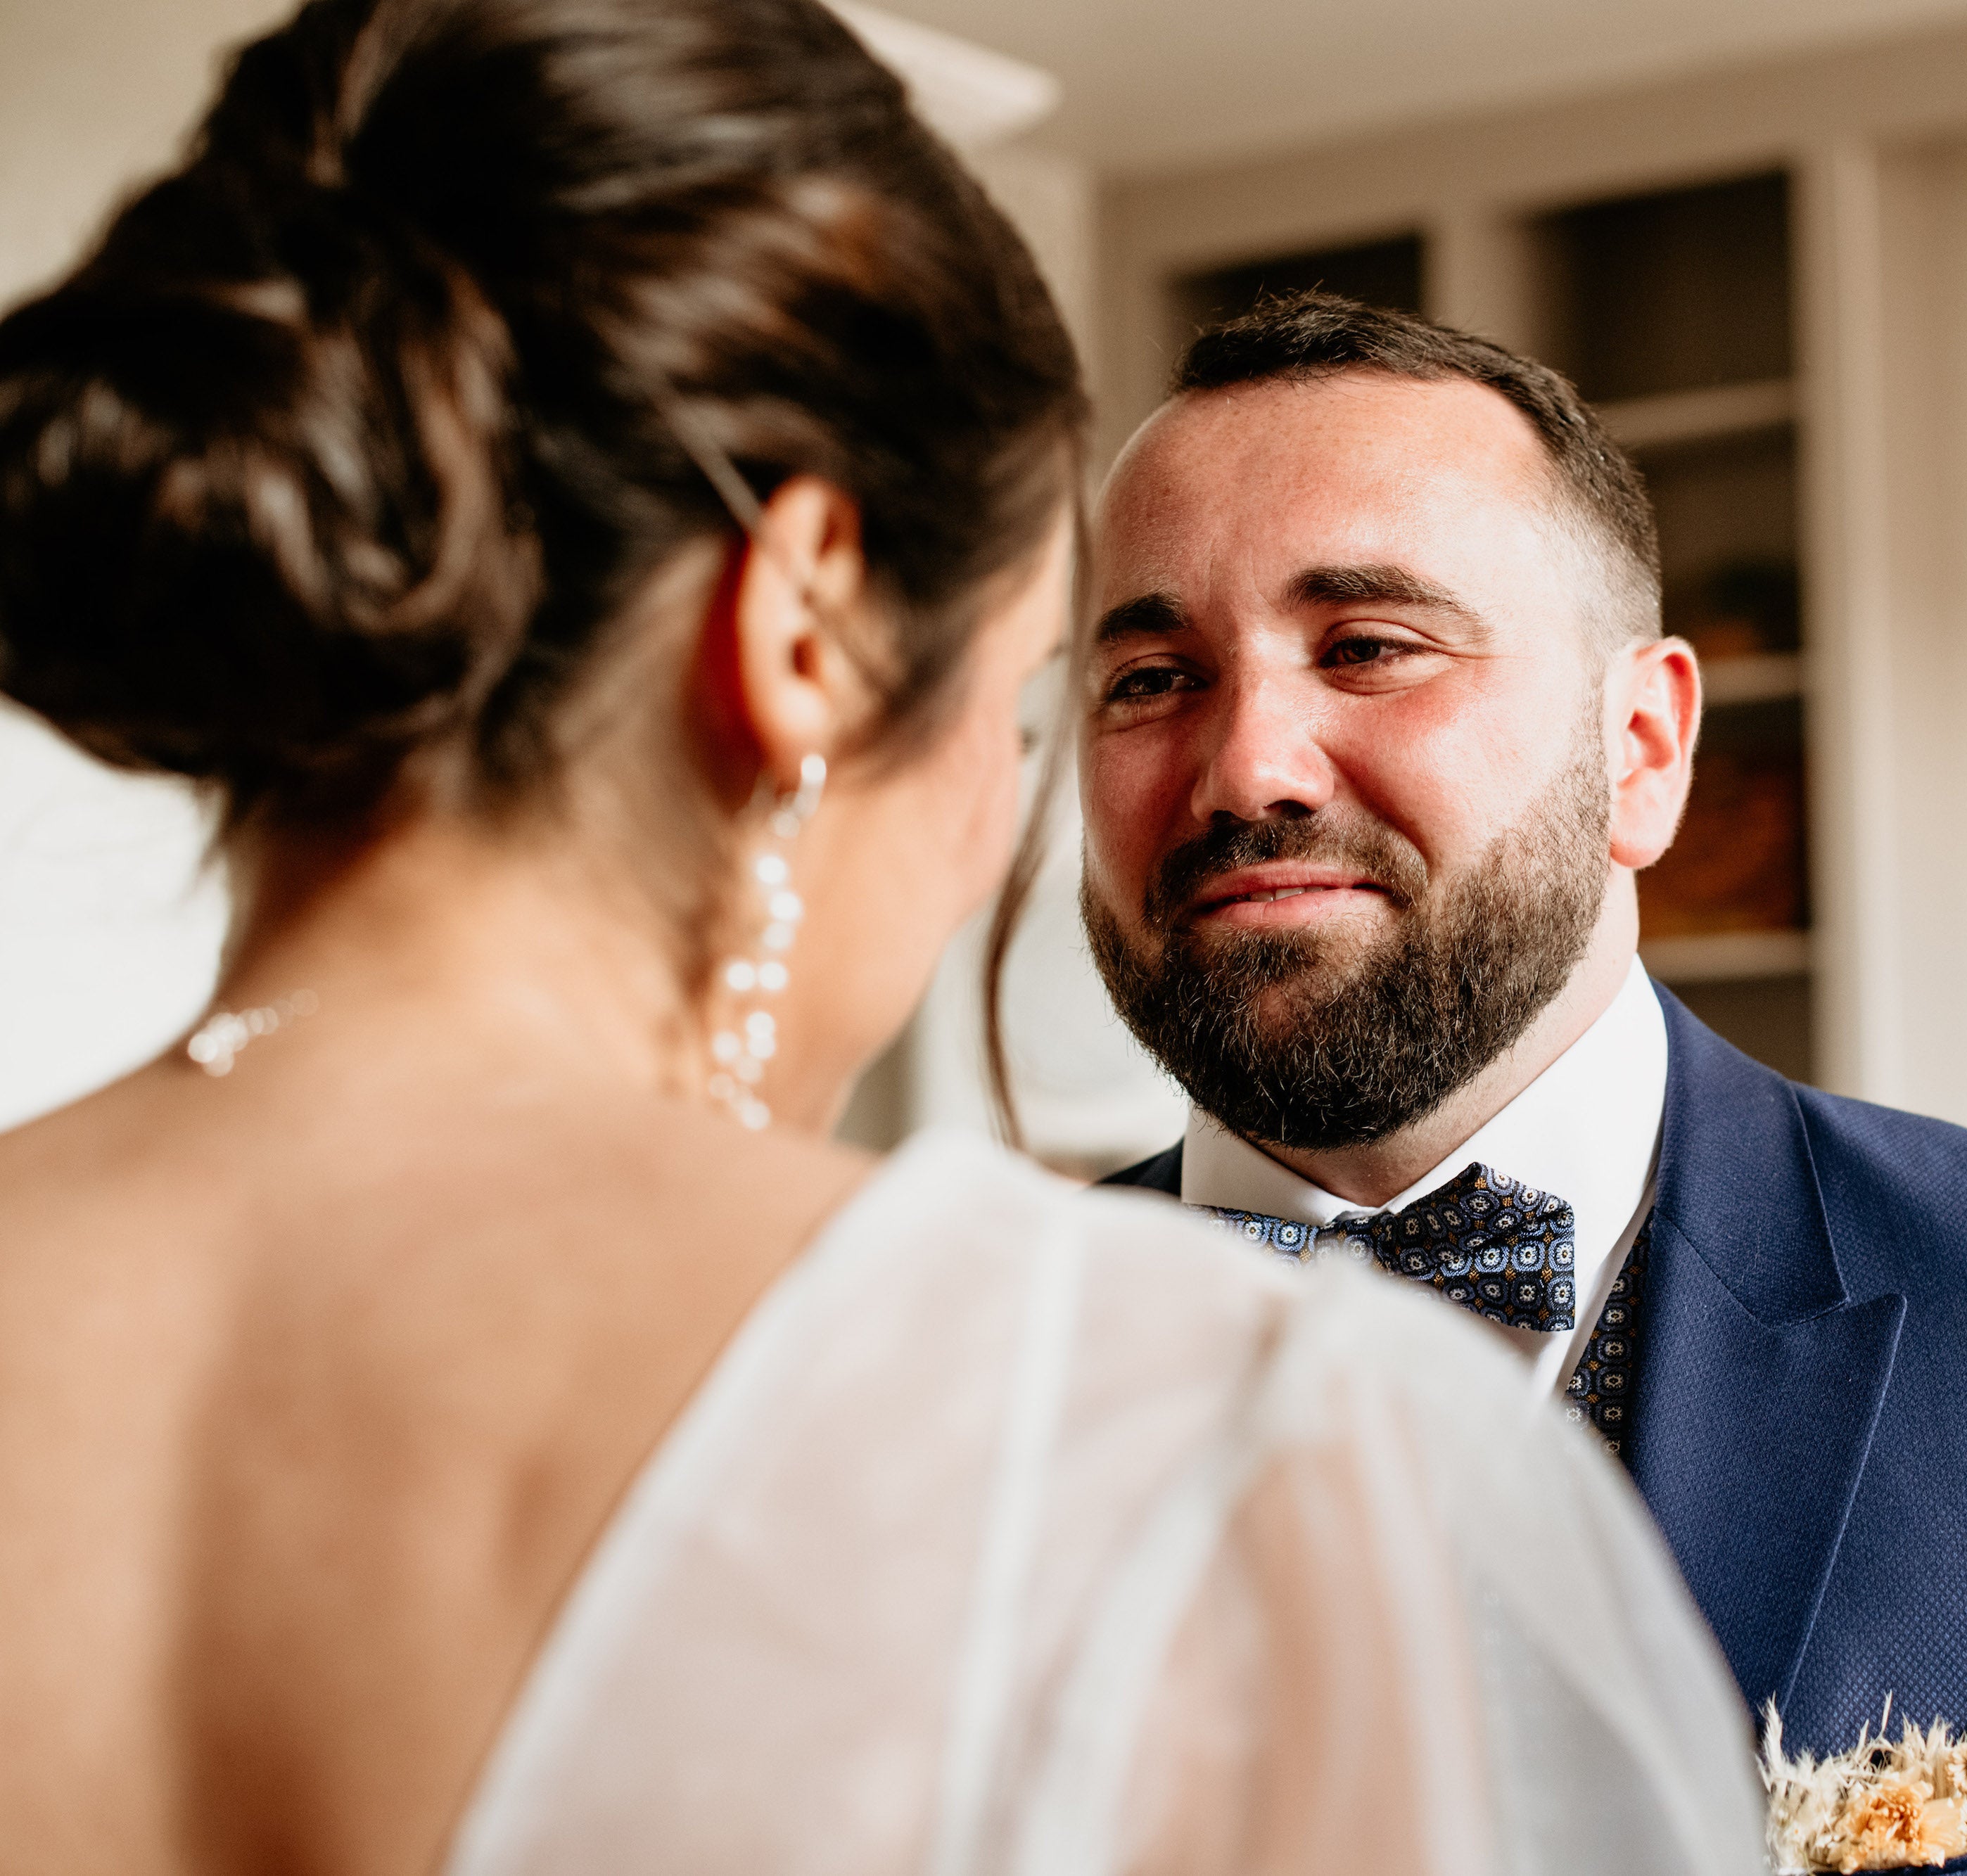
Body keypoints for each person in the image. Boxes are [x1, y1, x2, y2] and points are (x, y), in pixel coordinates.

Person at [0, 8, 1766, 1873]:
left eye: (1372, 648)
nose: (1240, 773)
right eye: (1060, 691)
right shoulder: (1207, 1438)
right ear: (806, 636)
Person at [1080, 291, 1967, 1872]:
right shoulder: (914, 1379)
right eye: (1149, 676)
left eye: (1371, 647)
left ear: (1646, 747)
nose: (1247, 762)